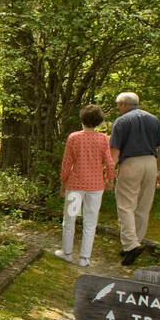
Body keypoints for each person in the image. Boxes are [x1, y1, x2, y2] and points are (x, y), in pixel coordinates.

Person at [109, 91, 160, 266]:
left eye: (118, 105)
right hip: (151, 162)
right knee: (144, 205)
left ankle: (131, 245)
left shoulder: (121, 122)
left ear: (123, 105)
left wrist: (110, 172)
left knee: (126, 205)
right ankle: (134, 242)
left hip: (131, 163)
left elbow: (115, 151)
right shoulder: (153, 119)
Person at [54, 104, 115, 268]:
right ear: (99, 121)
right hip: (95, 186)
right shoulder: (103, 139)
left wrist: (63, 181)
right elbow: (109, 163)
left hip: (75, 185)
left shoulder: (74, 137)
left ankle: (67, 253)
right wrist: (110, 179)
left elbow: (67, 163)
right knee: (90, 221)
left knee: (70, 219)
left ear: (82, 119)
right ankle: (84, 258)